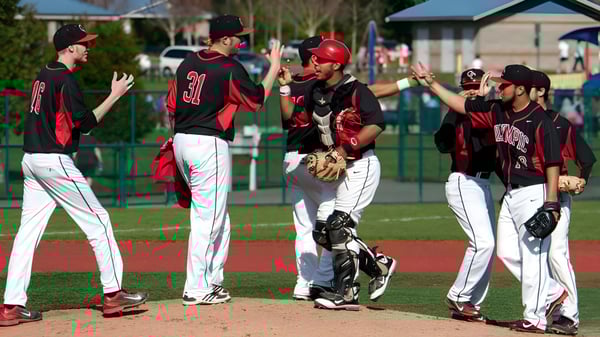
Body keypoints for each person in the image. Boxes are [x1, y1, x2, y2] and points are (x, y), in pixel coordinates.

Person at [0, 24, 147, 327]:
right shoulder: (65, 80)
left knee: (27, 235)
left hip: (32, 161)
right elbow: (87, 124)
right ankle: (113, 293)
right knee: (99, 221)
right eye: (83, 44)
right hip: (54, 161)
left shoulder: (44, 74)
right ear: (69, 48)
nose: (87, 47)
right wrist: (114, 95)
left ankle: (11, 306)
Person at [412, 63, 562, 333]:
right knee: (502, 250)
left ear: (520, 89)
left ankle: (536, 317)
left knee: (532, 254)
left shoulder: (540, 120)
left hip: (533, 191)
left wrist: (552, 202)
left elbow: (552, 162)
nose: (499, 87)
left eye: (504, 85)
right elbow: (461, 106)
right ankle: (551, 293)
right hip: (508, 193)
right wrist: (430, 84)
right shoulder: (498, 111)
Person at [279, 36, 416, 301]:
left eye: (321, 59)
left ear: (337, 64)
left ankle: (347, 292)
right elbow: (292, 120)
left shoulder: (356, 90)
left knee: (339, 227)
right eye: (314, 58)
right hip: (336, 168)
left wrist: (343, 149)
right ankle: (378, 266)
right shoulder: (315, 90)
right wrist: (284, 89)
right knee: (322, 231)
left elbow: (376, 124)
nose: (314, 62)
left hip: (360, 165)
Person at [167, 15, 283, 305]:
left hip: (182, 139)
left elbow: (172, 104)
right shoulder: (229, 67)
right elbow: (257, 100)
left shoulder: (189, 62)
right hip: (208, 144)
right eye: (238, 36)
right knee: (208, 219)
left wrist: (178, 141)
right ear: (225, 39)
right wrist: (274, 68)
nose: (241, 41)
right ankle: (196, 287)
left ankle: (212, 280)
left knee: (220, 218)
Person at [530, 70, 596, 335]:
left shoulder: (559, 123)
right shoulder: (517, 120)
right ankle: (553, 307)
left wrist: (581, 180)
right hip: (528, 194)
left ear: (542, 91)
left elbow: (587, 158)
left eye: (528, 86)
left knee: (557, 254)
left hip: (557, 195)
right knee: (533, 255)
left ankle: (569, 315)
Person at [433, 68, 496, 322]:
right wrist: (460, 112)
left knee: (489, 247)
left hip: (484, 184)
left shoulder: (491, 110)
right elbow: (441, 143)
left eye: (476, 85)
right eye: (467, 86)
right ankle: (459, 296)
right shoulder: (458, 112)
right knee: (483, 243)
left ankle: (470, 302)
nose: (471, 90)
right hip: (464, 180)